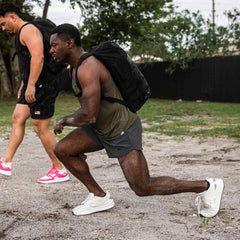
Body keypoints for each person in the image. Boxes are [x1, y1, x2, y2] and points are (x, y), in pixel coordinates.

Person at [49, 23, 224, 217]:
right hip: (100, 128)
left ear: (69, 43)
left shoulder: (88, 67)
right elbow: (92, 108)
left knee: (143, 187)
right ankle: (99, 196)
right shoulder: (74, 69)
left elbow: (89, 114)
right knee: (63, 150)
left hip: (121, 129)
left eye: (54, 45)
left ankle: (207, 186)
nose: (51, 50)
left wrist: (64, 120)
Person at [0, 2, 69, 183]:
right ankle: (5, 162)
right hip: (33, 84)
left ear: (12, 17)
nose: (3, 28)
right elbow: (27, 62)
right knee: (18, 117)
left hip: (42, 85)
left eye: (3, 23)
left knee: (40, 127)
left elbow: (38, 56)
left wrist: (31, 85)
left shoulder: (28, 30)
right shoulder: (22, 33)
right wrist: (24, 84)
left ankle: (60, 169)